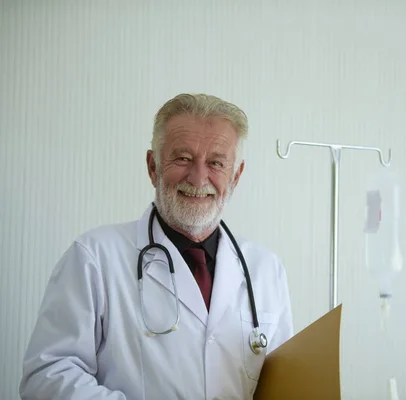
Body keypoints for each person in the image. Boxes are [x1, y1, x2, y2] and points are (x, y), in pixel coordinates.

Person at [19, 93, 294, 399]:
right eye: (183, 158)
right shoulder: (94, 258)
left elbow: (282, 383)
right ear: (153, 166)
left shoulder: (266, 269)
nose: (198, 177)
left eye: (216, 162)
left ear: (236, 176)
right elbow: (47, 375)